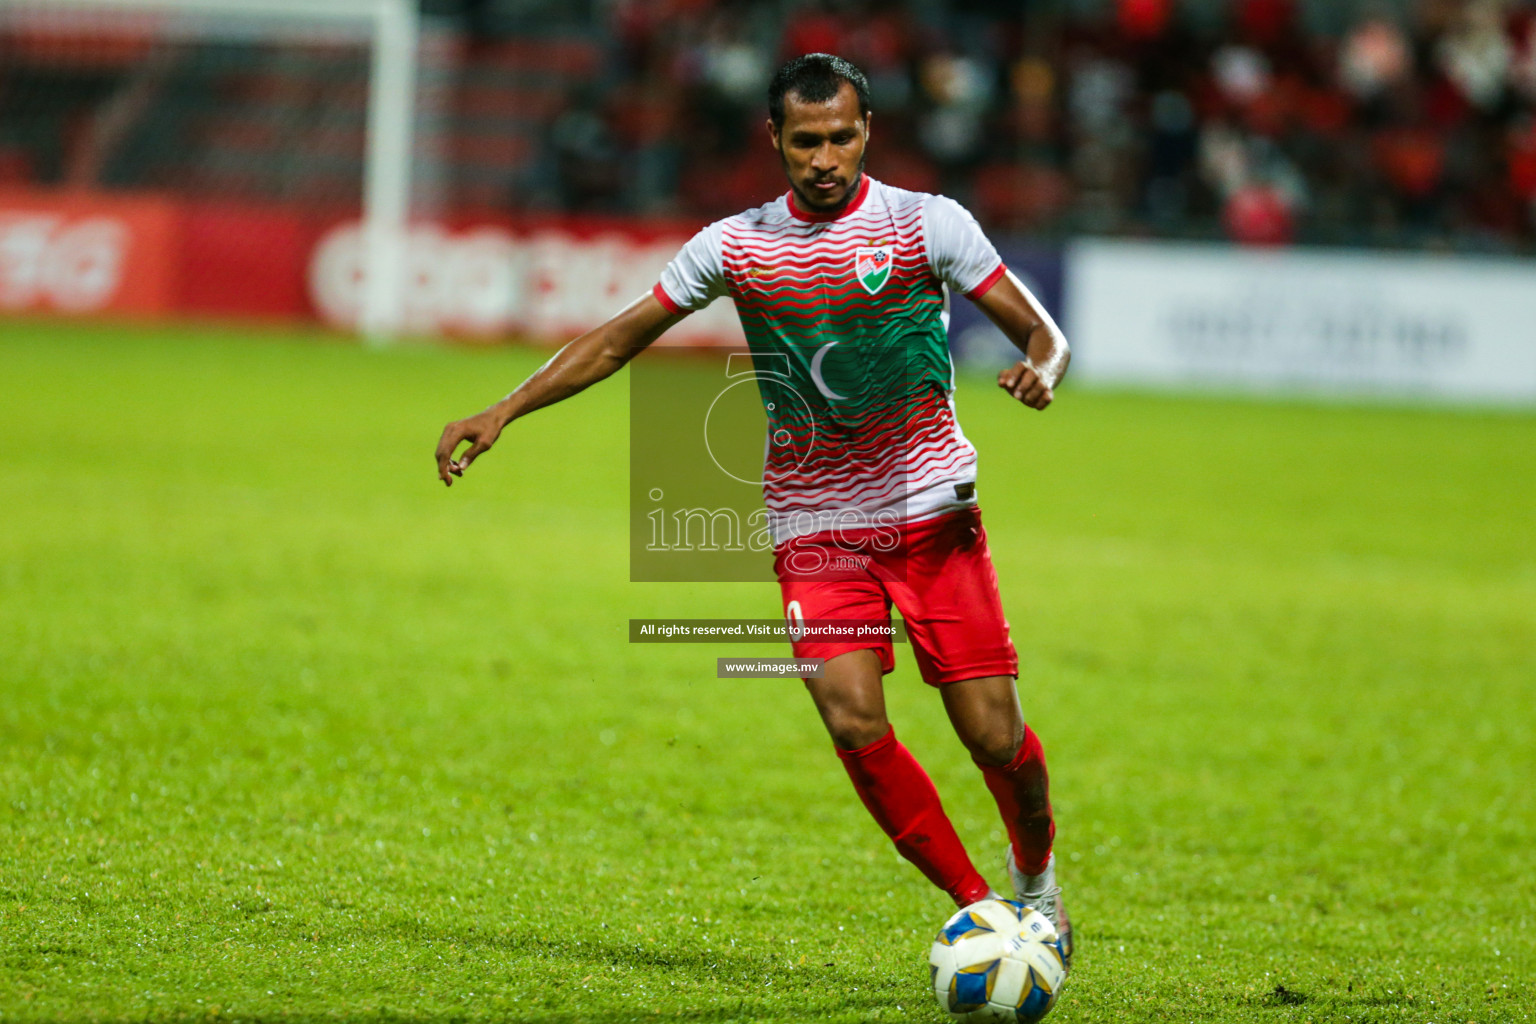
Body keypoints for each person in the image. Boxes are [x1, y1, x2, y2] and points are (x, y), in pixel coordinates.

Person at [434, 53, 1073, 964]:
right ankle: (983, 913)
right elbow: (619, 339)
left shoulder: (927, 224)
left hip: (931, 513)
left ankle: (1036, 878)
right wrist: (504, 409)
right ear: (773, 140)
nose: (825, 158)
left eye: (841, 137)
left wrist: (1042, 371)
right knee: (851, 717)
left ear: (867, 133)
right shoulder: (736, 245)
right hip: (813, 522)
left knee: (994, 735)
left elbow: (1041, 331)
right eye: (806, 140)